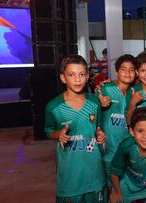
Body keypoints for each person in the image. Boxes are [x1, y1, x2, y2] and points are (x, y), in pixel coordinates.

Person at [44, 54, 107, 203]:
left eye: (82, 74)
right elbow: (48, 131)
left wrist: (100, 135)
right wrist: (58, 134)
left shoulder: (94, 102)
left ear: (87, 77)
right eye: (72, 75)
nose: (78, 79)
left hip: (95, 175)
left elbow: (98, 128)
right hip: (69, 177)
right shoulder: (53, 106)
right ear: (63, 78)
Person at [97, 54, 137, 181]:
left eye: (131, 69)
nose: (127, 73)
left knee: (124, 185)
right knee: (109, 185)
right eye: (123, 69)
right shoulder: (106, 88)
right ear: (116, 72)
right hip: (108, 149)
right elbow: (93, 108)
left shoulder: (133, 92)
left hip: (126, 148)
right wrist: (99, 100)